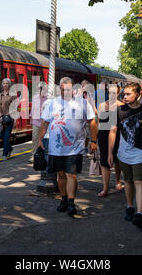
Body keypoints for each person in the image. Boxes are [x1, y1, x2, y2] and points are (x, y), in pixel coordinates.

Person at [38, 77, 97, 217]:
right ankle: (63, 199)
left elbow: (92, 122)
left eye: (68, 90)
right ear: (60, 89)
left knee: (72, 174)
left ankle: (71, 202)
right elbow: (45, 122)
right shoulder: (53, 104)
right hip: (56, 147)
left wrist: (93, 141)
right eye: (63, 90)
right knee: (61, 174)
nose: (66, 92)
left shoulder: (82, 103)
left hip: (75, 147)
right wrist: (40, 140)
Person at [108, 83, 142, 229]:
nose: (125, 97)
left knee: (139, 181)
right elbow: (112, 132)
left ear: (137, 94)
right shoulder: (118, 111)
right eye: (123, 94)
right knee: (128, 181)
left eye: (128, 94)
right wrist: (110, 153)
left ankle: (140, 214)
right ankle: (130, 206)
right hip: (123, 153)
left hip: (140, 152)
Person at [97, 84, 124, 197]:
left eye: (114, 92)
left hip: (118, 136)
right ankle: (105, 188)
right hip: (103, 135)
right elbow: (99, 122)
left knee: (117, 161)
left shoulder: (122, 106)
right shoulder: (102, 105)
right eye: (110, 92)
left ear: (118, 93)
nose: (111, 94)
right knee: (104, 161)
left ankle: (117, 180)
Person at [0, 78, 17, 160]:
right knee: (3, 137)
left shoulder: (13, 95)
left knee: (7, 136)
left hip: (9, 118)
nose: (5, 85)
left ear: (9, 85)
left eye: (6, 83)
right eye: (3, 83)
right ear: (2, 85)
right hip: (1, 119)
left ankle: (4, 154)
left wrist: (15, 120)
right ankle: (10, 148)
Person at [29, 82, 47, 163]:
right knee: (35, 138)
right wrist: (31, 118)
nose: (41, 90)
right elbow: (33, 109)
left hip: (44, 122)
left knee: (43, 139)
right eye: (40, 88)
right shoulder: (35, 97)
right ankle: (34, 155)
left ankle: (43, 155)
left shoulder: (48, 98)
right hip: (36, 121)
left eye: (43, 88)